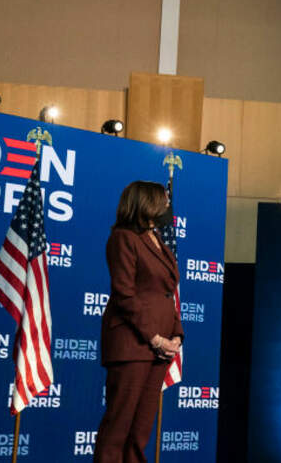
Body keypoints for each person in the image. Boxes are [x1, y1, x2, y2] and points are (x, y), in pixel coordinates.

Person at [94, 181, 184, 463]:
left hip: (160, 347)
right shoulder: (123, 238)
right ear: (146, 203)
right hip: (133, 344)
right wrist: (155, 338)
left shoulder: (156, 238)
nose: (168, 206)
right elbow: (125, 294)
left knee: (140, 431)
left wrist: (176, 335)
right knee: (118, 427)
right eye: (163, 201)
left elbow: (167, 293)